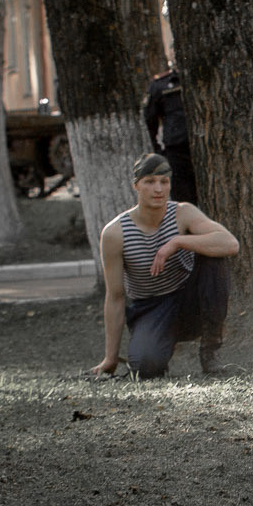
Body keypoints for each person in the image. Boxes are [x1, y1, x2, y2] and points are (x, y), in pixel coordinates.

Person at [90, 153, 238, 378]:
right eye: (150, 182)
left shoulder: (182, 213)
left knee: (213, 256)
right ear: (136, 186)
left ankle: (210, 350)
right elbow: (115, 297)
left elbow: (230, 244)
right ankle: (154, 348)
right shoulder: (115, 233)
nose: (158, 189)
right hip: (150, 308)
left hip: (189, 300)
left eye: (164, 181)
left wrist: (178, 242)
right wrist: (110, 357)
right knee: (146, 368)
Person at [142, 63, 199, 209]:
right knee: (185, 204)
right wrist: (159, 153)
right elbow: (149, 122)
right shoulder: (160, 85)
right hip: (178, 154)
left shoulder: (201, 75)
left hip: (206, 150)